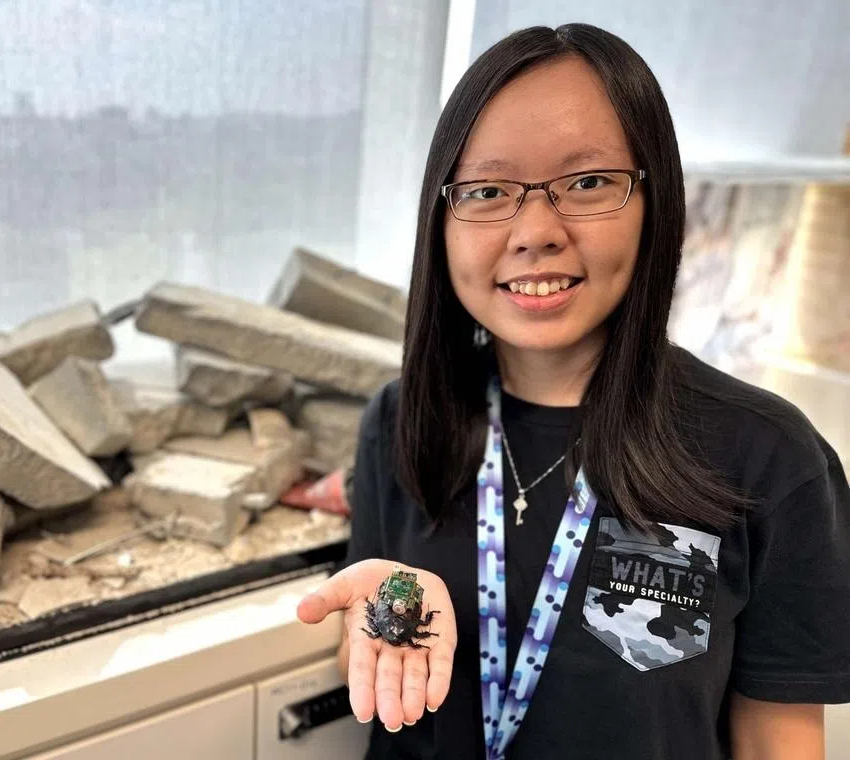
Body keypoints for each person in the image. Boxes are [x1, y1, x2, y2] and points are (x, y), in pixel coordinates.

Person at [295, 22, 850, 760]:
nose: (535, 231)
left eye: (587, 183)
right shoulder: (401, 420)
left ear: (656, 200)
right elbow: (368, 667)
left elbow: (776, 739)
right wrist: (391, 612)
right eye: (488, 190)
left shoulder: (766, 458)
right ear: (442, 218)